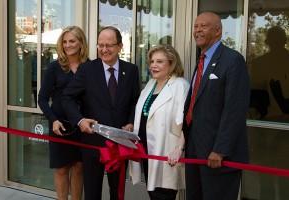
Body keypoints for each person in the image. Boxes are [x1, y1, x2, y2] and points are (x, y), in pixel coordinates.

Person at [61, 26, 140, 200]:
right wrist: (80, 120)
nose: (104, 50)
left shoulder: (132, 70)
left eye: (109, 45)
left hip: (120, 143)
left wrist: (131, 122)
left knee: (117, 192)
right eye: (100, 45)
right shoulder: (87, 70)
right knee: (92, 192)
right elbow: (67, 97)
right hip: (92, 142)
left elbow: (135, 101)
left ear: (120, 46)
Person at [182, 12, 250, 200]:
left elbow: (234, 110)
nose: (197, 30)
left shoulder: (232, 60)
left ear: (218, 31)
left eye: (203, 26)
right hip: (195, 151)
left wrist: (220, 149)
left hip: (218, 156)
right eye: (196, 26)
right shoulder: (202, 60)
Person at [129, 44, 189, 200]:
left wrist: (179, 148)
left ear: (171, 63)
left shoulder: (180, 86)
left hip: (167, 153)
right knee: (153, 194)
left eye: (160, 61)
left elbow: (187, 122)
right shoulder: (150, 84)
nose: (153, 65)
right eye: (152, 61)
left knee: (163, 195)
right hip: (147, 151)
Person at [38, 26, 88, 200]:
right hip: (59, 125)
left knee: (78, 167)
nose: (68, 45)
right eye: (65, 42)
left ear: (81, 43)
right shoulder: (55, 67)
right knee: (61, 168)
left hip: (81, 126)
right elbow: (42, 98)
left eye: (72, 41)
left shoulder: (90, 67)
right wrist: (53, 120)